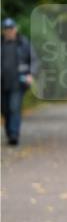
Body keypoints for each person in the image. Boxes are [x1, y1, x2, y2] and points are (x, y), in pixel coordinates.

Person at [1, 18, 34, 146]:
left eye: (11, 29)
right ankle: (9, 132)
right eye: (6, 29)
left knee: (14, 107)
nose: (9, 32)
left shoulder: (23, 43)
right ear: (3, 31)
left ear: (15, 29)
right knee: (5, 110)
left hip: (18, 82)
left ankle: (14, 134)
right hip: (2, 83)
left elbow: (34, 60)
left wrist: (31, 74)